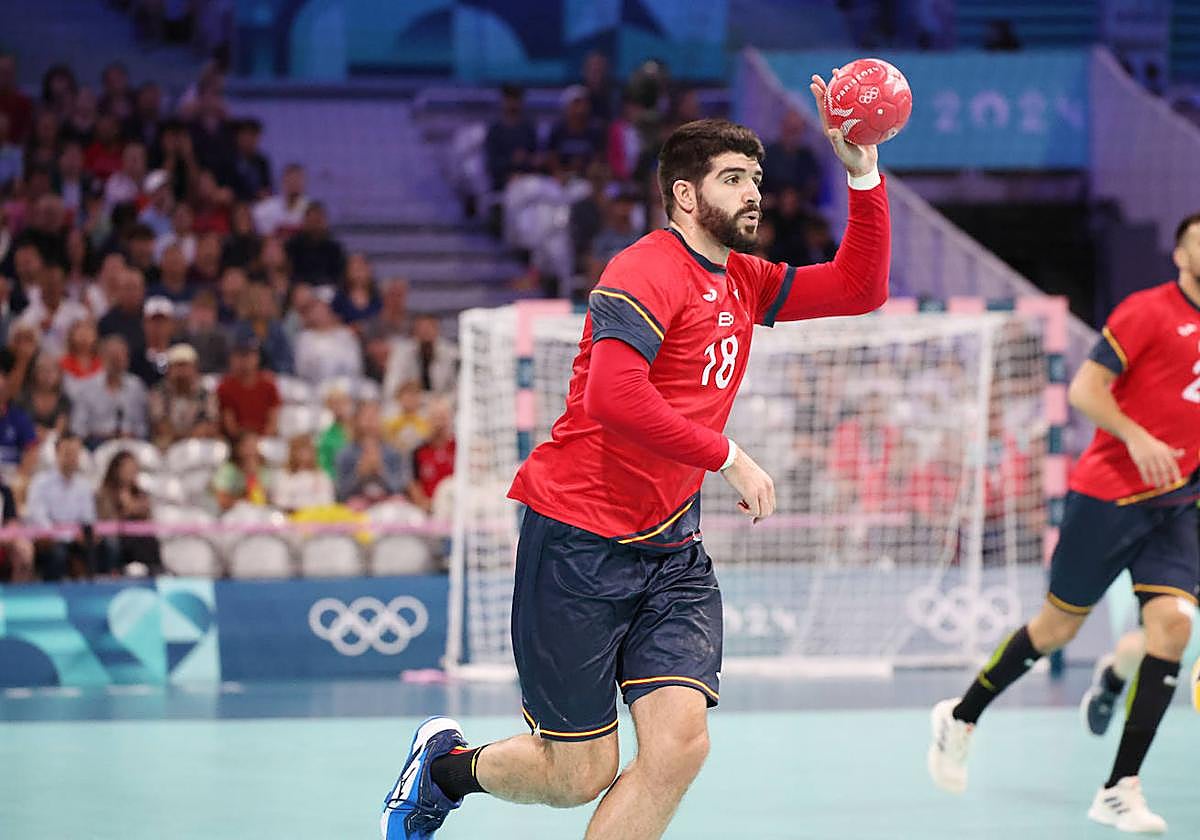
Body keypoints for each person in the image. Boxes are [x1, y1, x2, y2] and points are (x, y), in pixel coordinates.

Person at [378, 83, 891, 839]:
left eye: (755, 177)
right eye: (732, 178)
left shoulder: (743, 279)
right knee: (575, 776)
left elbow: (859, 288)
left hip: (670, 549)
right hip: (578, 542)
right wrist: (729, 457)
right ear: (684, 195)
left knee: (680, 746)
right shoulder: (643, 269)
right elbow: (613, 399)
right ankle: (444, 769)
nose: (754, 191)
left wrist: (862, 173)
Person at [927, 212, 1200, 833]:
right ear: (1181, 256)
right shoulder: (1147, 311)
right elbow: (1084, 391)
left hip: (1176, 502)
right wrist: (1137, 437)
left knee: (1173, 630)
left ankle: (1119, 787)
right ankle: (962, 715)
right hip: (1107, 496)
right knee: (1055, 630)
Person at [26, 434, 98, 580]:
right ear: (57, 453)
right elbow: (40, 520)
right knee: (58, 552)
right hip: (50, 540)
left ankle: (96, 590)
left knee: (108, 546)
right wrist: (67, 535)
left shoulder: (83, 485)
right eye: (68, 453)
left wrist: (84, 534)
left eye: (76, 453)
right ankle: (52, 593)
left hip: (77, 539)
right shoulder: (41, 483)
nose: (73, 458)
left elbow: (88, 518)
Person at [70, 334, 148, 447]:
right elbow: (78, 428)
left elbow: (142, 427)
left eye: (120, 356)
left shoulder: (136, 387)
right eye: (112, 357)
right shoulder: (87, 387)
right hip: (97, 444)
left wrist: (131, 434)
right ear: (102, 357)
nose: (116, 361)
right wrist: (102, 435)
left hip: (131, 443)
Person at [95, 450, 162, 576]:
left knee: (148, 539)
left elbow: (149, 518)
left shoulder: (140, 493)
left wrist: (138, 509)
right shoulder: (104, 494)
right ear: (117, 470)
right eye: (128, 468)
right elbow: (106, 521)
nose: (132, 472)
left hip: (138, 538)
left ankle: (155, 571)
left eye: (134, 468)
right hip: (115, 537)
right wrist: (127, 510)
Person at [335, 400, 409, 506]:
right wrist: (359, 474)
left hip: (387, 504)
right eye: (366, 418)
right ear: (356, 421)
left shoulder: (393, 452)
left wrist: (381, 471)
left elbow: (400, 489)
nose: (370, 422)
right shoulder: (346, 454)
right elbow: (341, 494)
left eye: (374, 417)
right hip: (356, 506)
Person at [148, 343, 218, 448]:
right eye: (177, 366)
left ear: (195, 368)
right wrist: (178, 439)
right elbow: (160, 424)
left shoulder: (205, 393)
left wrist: (188, 439)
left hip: (197, 444)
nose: (182, 372)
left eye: (185, 366)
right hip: (168, 445)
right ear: (169, 369)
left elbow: (210, 424)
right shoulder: (159, 392)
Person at [217, 336, 280, 438]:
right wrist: (247, 442)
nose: (244, 360)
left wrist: (259, 441)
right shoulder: (224, 387)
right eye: (239, 355)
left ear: (257, 358)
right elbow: (230, 427)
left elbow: (273, 422)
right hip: (236, 442)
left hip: (264, 440)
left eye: (248, 355)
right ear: (231, 358)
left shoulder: (269, 385)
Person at [382, 314, 458, 398]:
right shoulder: (401, 352)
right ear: (415, 332)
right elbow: (391, 385)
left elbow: (458, 388)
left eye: (429, 329)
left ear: (437, 330)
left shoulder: (452, 353)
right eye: (421, 329)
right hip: (410, 402)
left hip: (441, 403)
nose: (425, 333)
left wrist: (445, 402)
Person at [408, 397, 454, 514]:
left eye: (442, 418)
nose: (439, 424)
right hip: (428, 510)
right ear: (428, 421)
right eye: (435, 418)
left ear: (450, 420)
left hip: (455, 508)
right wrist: (424, 504)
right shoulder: (418, 451)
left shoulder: (460, 449)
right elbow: (413, 483)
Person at [271, 433, 334, 513]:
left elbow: (327, 502)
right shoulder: (284, 475)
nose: (304, 454)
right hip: (291, 518)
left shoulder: (321, 476)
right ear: (292, 452)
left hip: (316, 518)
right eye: (300, 449)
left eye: (308, 449)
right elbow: (281, 502)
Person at [212, 431, 272, 512]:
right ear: (238, 448)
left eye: (254, 445)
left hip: (256, 513)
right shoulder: (227, 470)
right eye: (247, 446)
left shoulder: (263, 470)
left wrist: (252, 474)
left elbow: (261, 499)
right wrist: (244, 499)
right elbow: (223, 502)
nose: (251, 450)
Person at [252, 162, 308, 236]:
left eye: (297, 179)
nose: (294, 183)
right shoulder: (264, 209)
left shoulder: (310, 208)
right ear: (283, 181)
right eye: (291, 179)